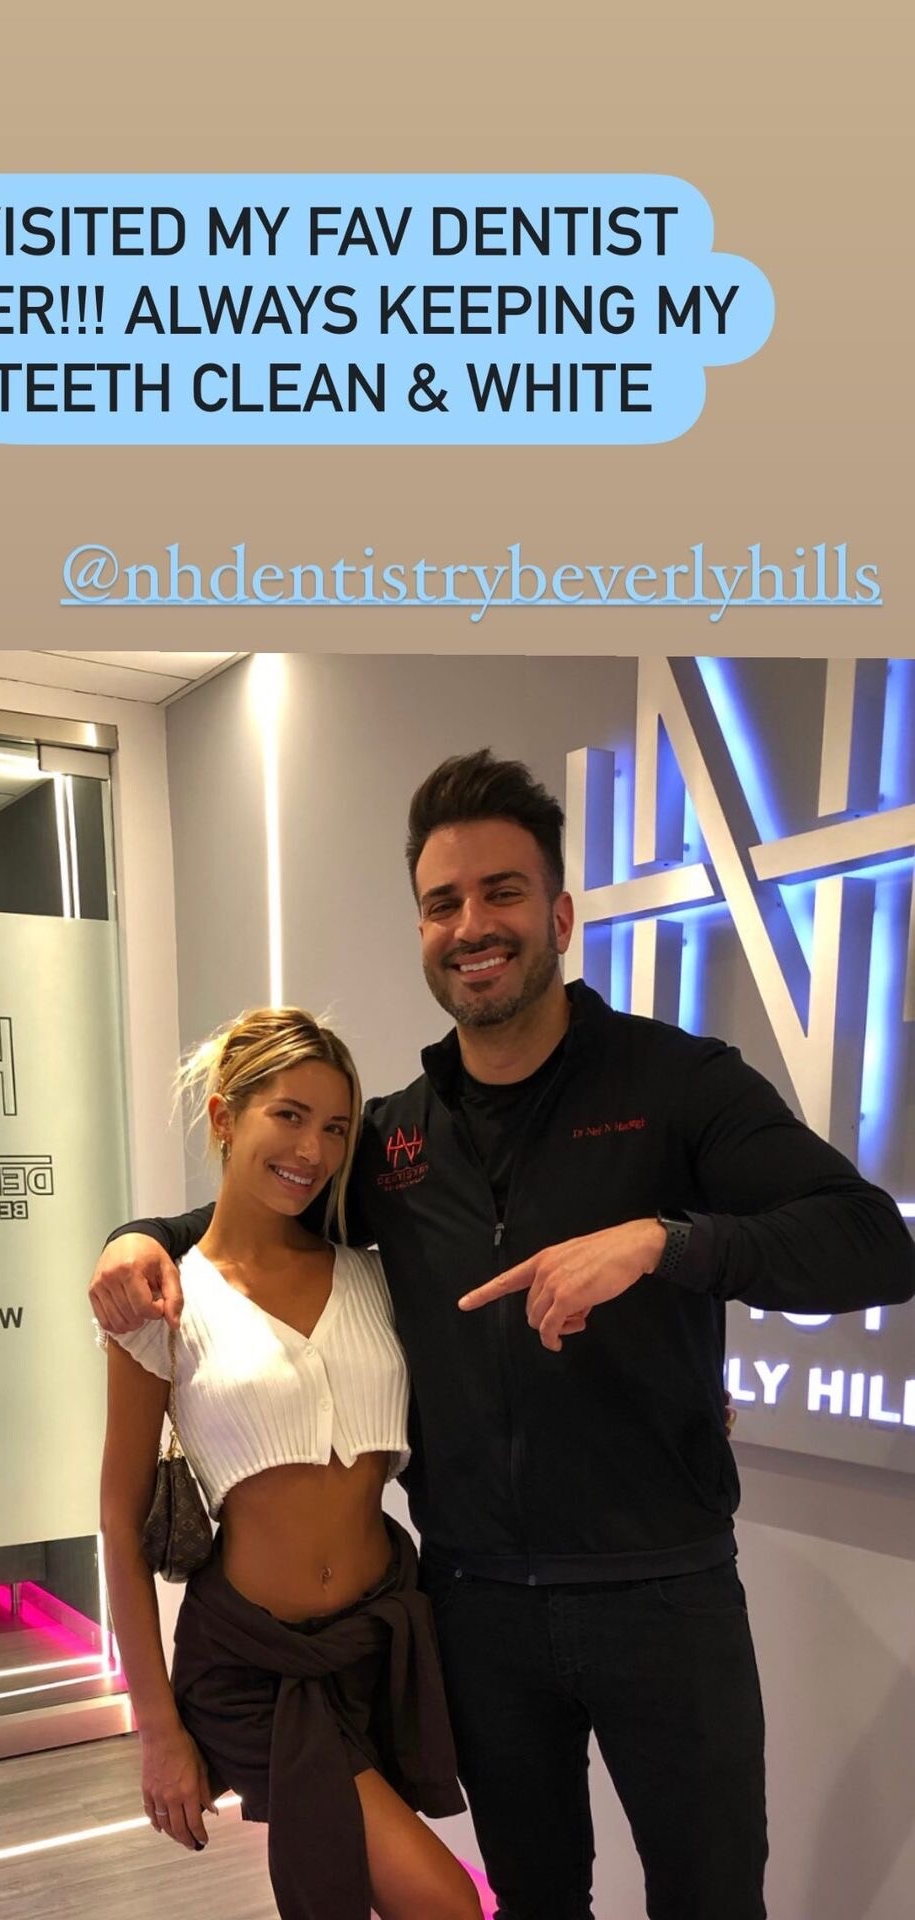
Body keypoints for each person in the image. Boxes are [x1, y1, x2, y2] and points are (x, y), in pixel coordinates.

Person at [92, 752, 915, 1920]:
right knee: (532, 1898)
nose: (472, 925)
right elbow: (258, 1210)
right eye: (444, 902)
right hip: (475, 1606)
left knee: (712, 1896)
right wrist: (136, 1237)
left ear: (560, 916)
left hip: (662, 1592)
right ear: (423, 931)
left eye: (503, 893)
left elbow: (873, 1244)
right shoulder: (394, 1140)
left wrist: (661, 1243)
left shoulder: (678, 1085)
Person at [98, 1005, 478, 1920]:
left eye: (337, 1128)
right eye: (290, 1116)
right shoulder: (164, 1303)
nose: (313, 1150)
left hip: (379, 1647)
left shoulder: (376, 1277)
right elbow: (118, 1517)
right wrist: (157, 1730)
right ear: (225, 1117)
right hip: (255, 1666)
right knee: (446, 1904)